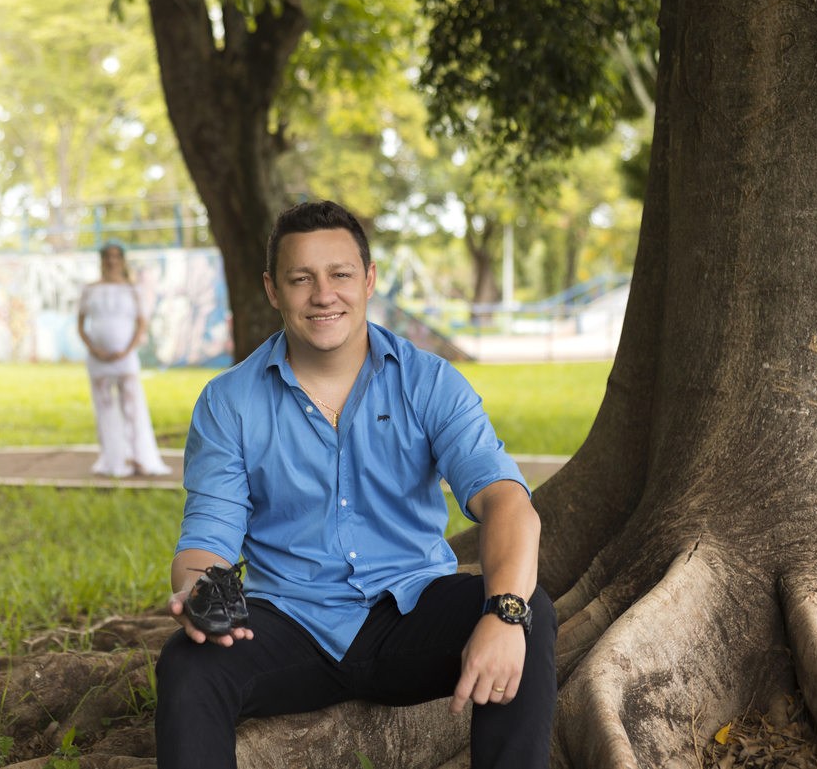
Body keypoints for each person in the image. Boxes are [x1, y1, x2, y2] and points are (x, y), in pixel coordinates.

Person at [154, 201, 556, 768]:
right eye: (302, 278)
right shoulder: (229, 402)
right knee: (187, 663)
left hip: (412, 614)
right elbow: (206, 539)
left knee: (527, 612)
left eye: (340, 274)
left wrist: (504, 613)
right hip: (292, 623)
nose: (324, 295)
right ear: (274, 289)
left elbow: (508, 502)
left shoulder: (430, 381)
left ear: (368, 280)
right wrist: (202, 595)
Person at [76, 242, 172, 478]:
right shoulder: (89, 289)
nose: (112, 260)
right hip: (98, 360)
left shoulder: (133, 289)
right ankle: (114, 460)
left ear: (122, 259)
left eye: (116, 256)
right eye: (108, 256)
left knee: (133, 407)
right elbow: (80, 324)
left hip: (125, 359)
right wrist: (95, 349)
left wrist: (127, 350)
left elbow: (142, 323)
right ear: (101, 259)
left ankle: (139, 458)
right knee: (105, 409)